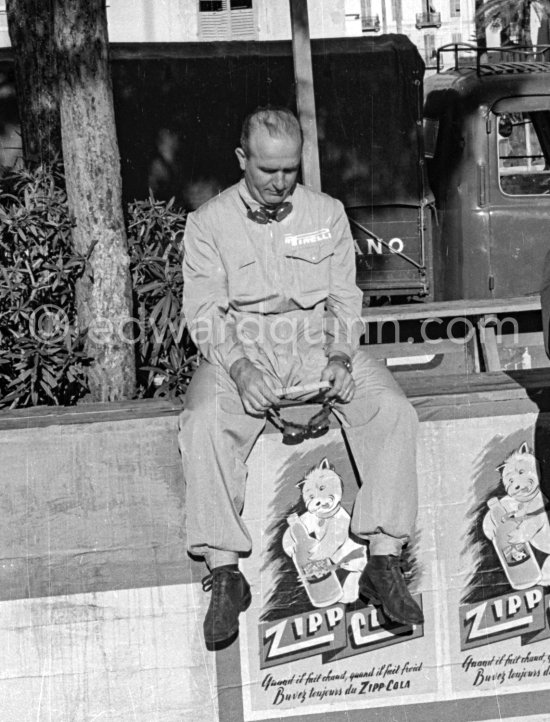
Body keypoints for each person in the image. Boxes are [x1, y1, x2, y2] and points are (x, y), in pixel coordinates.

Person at [179, 106, 423, 647]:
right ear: (242, 160)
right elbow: (204, 312)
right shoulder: (208, 224)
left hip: (316, 346)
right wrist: (240, 369)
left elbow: (344, 298)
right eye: (267, 170)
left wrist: (339, 358)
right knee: (201, 421)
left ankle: (383, 561)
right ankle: (224, 572)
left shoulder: (327, 214)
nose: (279, 182)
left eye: (290, 169)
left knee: (393, 410)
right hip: (243, 350)